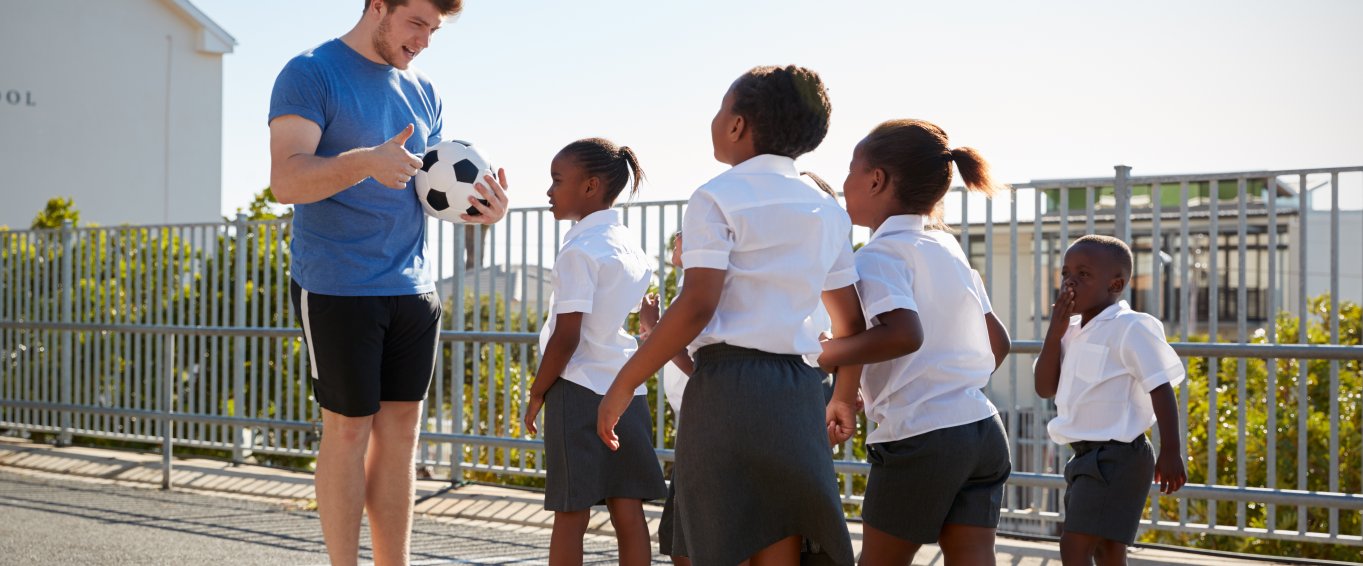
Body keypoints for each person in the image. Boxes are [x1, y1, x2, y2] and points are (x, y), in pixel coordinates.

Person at [267, 1, 509, 564]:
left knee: (400, 441)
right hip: (336, 285)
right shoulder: (310, 72)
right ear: (379, 6)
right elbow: (286, 179)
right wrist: (364, 161)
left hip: (413, 288)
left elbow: (431, 189)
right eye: (416, 23)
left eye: (434, 29)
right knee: (349, 432)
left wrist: (482, 211)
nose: (424, 40)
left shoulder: (425, 92)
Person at [597, 65, 861, 566]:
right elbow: (851, 324)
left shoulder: (715, 196)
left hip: (728, 387)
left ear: (738, 125)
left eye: (721, 109)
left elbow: (697, 304)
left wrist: (625, 382)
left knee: (711, 544)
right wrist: (844, 396)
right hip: (799, 395)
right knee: (780, 533)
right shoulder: (827, 209)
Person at [817, 119, 1013, 565]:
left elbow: (903, 334)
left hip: (921, 437)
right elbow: (996, 343)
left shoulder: (880, 256)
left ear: (876, 179)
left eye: (850, 170)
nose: (845, 181)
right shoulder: (948, 249)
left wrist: (828, 353)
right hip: (981, 429)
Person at [522, 138, 667, 566]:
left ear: (590, 186)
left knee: (571, 512)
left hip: (577, 390)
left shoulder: (578, 251)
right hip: (627, 391)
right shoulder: (630, 247)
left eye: (556, 180)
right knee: (629, 509)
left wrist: (536, 392)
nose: (549, 191)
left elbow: (567, 338)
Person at [1033, 234, 1187, 566]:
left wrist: (1171, 450)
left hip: (1118, 455)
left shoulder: (1130, 326)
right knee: (1108, 550)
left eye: (1083, 274)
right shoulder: (1070, 331)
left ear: (1114, 284)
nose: (1070, 281)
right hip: (1086, 456)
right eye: (1066, 273)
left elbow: (1160, 386)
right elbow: (1045, 387)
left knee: (1074, 546)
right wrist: (1054, 332)